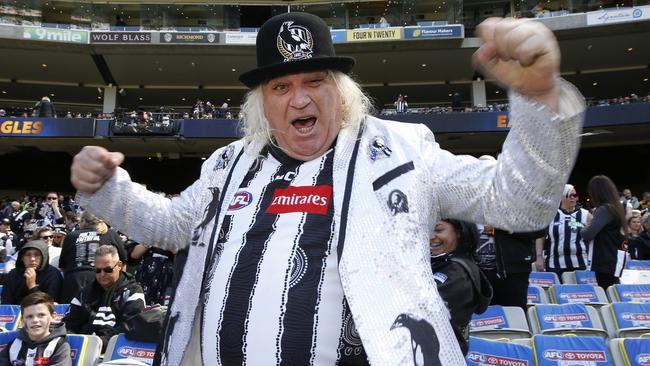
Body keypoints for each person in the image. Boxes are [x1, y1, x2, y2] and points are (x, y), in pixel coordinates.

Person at [70, 13, 585, 365]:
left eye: (315, 80)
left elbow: (518, 203)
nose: (299, 99)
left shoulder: (404, 151)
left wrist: (539, 99)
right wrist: (109, 190)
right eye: (281, 86)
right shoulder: (228, 165)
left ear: (341, 90)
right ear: (261, 103)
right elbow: (170, 225)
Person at [63, 245, 145, 351]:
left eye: (107, 270)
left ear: (119, 265)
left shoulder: (133, 291)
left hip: (115, 350)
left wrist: (101, 343)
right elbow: (69, 323)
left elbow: (130, 326)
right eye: (97, 270)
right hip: (84, 348)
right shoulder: (85, 292)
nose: (102, 274)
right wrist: (73, 341)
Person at [430, 219, 491, 354]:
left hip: (443, 354)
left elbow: (423, 311)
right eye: (428, 229)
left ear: (459, 232)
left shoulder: (458, 273)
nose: (431, 236)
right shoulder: (447, 263)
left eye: (438, 230)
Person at [58, 211, 127, 303]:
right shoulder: (110, 234)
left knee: (72, 313)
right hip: (104, 277)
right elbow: (123, 260)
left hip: (74, 280)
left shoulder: (71, 236)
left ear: (83, 221)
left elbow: (62, 265)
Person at [582, 175, 628, 289]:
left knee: (607, 291)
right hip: (614, 257)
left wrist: (583, 228)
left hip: (604, 259)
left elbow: (588, 234)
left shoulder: (604, 210)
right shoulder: (617, 208)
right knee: (613, 290)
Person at [0, 292, 71, 366]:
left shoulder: (59, 346)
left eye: (41, 315)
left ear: (53, 317)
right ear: (22, 321)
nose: (35, 320)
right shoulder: (13, 345)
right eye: (29, 316)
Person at [537, 184, 592, 277]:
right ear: (561, 197)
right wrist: (539, 256)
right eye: (570, 195)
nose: (573, 198)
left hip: (580, 263)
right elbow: (540, 237)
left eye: (575, 195)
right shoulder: (550, 214)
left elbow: (594, 235)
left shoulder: (585, 215)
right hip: (555, 263)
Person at [1, 240, 62, 304]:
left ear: (43, 257)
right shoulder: (13, 274)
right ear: (22, 258)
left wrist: (32, 286)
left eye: (37, 255)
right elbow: (6, 303)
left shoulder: (53, 275)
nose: (32, 259)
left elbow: (50, 305)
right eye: (28, 255)